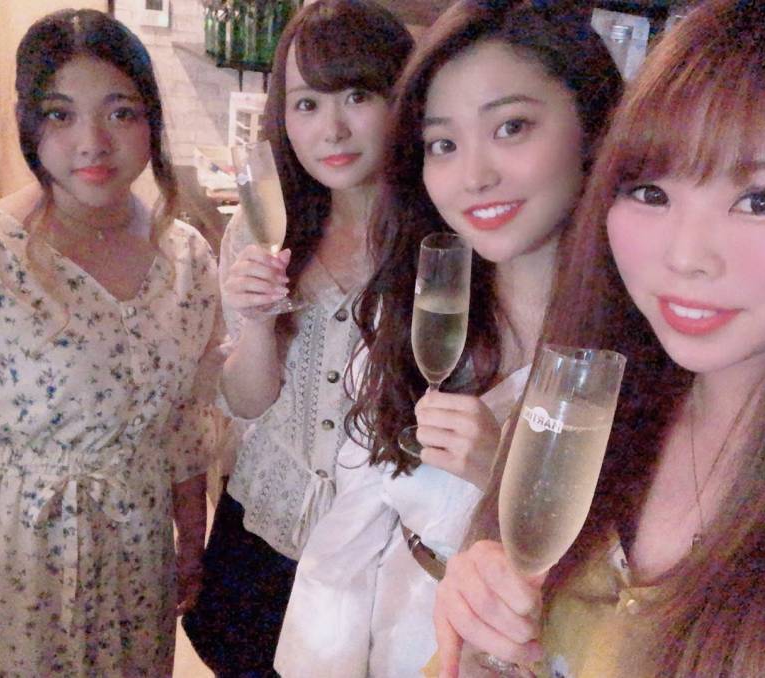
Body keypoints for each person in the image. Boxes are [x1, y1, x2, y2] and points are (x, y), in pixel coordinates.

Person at [432, 1, 765, 676]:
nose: (685, 256)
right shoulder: (579, 431)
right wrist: (478, 638)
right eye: (650, 192)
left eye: (762, 199)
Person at [273, 2, 622, 676]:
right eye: (443, 144)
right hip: (393, 623)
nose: (473, 176)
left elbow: (644, 589)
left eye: (511, 127)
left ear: (593, 128)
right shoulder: (417, 311)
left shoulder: (646, 355)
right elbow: (357, 515)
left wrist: (506, 480)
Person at [0, 9, 219, 675]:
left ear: (150, 119)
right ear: (28, 122)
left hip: (138, 554)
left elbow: (183, 423)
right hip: (11, 560)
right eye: (60, 114)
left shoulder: (187, 257)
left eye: (120, 112)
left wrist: (190, 540)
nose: (92, 143)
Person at [180, 1, 414, 675]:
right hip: (264, 532)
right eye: (307, 104)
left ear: (402, 100)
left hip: (375, 550)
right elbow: (247, 402)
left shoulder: (440, 244)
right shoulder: (265, 227)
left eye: (358, 96)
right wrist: (255, 321)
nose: (331, 128)